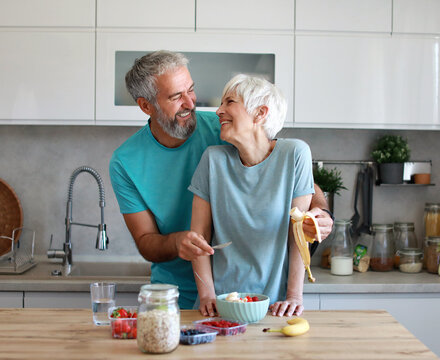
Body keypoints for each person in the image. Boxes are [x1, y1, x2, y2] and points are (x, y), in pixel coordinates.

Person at [109, 50, 333, 310]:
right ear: (146, 106)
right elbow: (146, 240)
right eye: (175, 96)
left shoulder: (224, 129)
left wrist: (321, 212)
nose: (191, 103)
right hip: (177, 292)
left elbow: (289, 176)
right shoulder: (125, 162)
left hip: (244, 292)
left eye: (190, 90)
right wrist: (178, 242)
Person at [190, 74, 316, 318]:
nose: (218, 111)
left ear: (260, 113)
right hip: (220, 305)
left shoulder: (295, 154)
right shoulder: (213, 159)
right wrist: (207, 296)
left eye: (229, 102)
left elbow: (298, 236)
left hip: (275, 307)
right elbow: (199, 239)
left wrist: (294, 296)